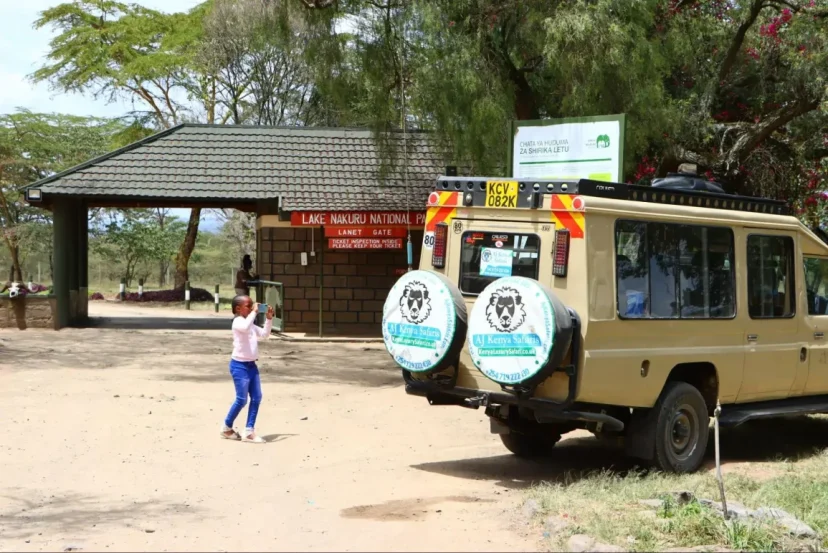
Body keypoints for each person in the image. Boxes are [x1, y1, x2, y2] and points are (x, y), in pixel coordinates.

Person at [221, 294, 274, 443]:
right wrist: (255, 312)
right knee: (241, 399)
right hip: (239, 366)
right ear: (238, 308)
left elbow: (264, 334)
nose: (252, 308)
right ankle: (226, 427)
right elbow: (244, 328)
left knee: (257, 397)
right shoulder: (238, 322)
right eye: (248, 306)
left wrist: (269, 319)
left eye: (252, 305)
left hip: (251, 365)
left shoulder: (249, 323)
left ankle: (249, 431)